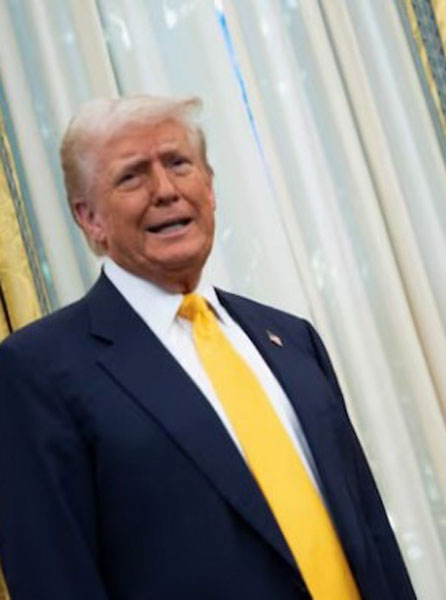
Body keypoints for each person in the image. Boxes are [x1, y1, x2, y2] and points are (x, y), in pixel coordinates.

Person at [0, 95, 416, 600]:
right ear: (90, 219)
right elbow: (55, 579)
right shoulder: (37, 371)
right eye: (132, 176)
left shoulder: (292, 339)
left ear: (211, 187)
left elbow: (370, 530)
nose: (166, 190)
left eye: (178, 164)